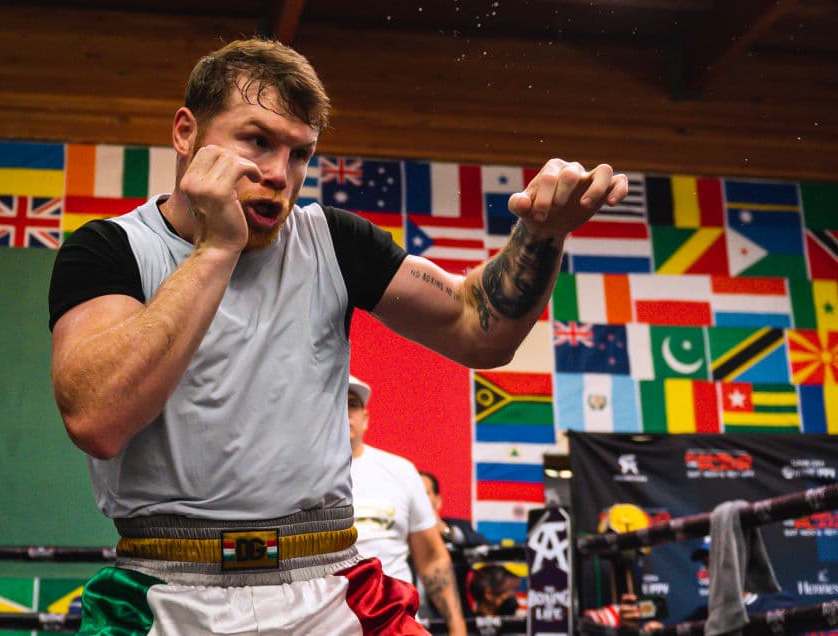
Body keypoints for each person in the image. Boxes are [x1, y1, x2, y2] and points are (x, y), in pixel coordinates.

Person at [48, 36, 628, 635]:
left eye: (300, 155)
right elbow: (97, 419)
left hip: (329, 589)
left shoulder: (331, 240)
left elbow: (477, 328)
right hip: (166, 592)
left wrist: (542, 234)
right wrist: (217, 247)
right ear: (186, 133)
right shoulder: (110, 249)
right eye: (257, 141)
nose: (278, 174)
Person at [347, 376, 467, 633]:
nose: (344, 413)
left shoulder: (400, 471)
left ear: (366, 418)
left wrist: (457, 627)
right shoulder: (295, 475)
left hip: (395, 623)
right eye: (335, 402)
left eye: (352, 404)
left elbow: (432, 558)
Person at [419, 470, 488, 548]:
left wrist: (446, 531)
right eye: (413, 494)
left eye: (424, 493)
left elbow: (483, 545)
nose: (418, 499)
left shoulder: (459, 526)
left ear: (438, 501)